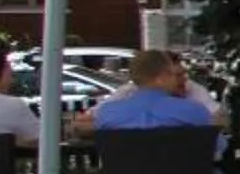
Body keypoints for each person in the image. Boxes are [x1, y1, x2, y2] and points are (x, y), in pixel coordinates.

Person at [86, 49, 223, 138]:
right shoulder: (194, 111)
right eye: (172, 74)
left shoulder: (107, 114)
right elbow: (217, 148)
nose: (180, 80)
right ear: (161, 78)